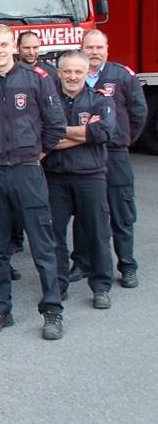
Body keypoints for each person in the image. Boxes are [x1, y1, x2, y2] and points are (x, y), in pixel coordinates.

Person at [0, 24, 67, 340]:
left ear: (13, 45)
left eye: (3, 44)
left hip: (27, 171)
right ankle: (1, 310)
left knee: (42, 245)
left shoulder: (37, 80)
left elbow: (55, 126)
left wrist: (34, 155)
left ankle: (52, 310)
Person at [71, 29, 147, 289]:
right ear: (82, 48)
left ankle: (126, 265)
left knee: (121, 210)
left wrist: (122, 139)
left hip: (114, 154)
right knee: (84, 210)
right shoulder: (75, 77)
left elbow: (139, 113)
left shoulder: (122, 76)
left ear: (106, 49)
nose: (94, 52)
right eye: (89, 47)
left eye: (98, 47)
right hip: (83, 152)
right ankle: (82, 262)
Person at [43, 51, 116, 309]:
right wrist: (86, 133)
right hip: (55, 178)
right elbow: (43, 136)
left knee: (97, 234)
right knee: (54, 237)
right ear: (59, 73)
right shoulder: (49, 101)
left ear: (87, 74)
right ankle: (58, 286)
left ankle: (101, 286)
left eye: (78, 72)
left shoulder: (100, 100)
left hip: (91, 178)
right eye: (67, 71)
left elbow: (105, 131)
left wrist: (59, 134)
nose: (72, 77)